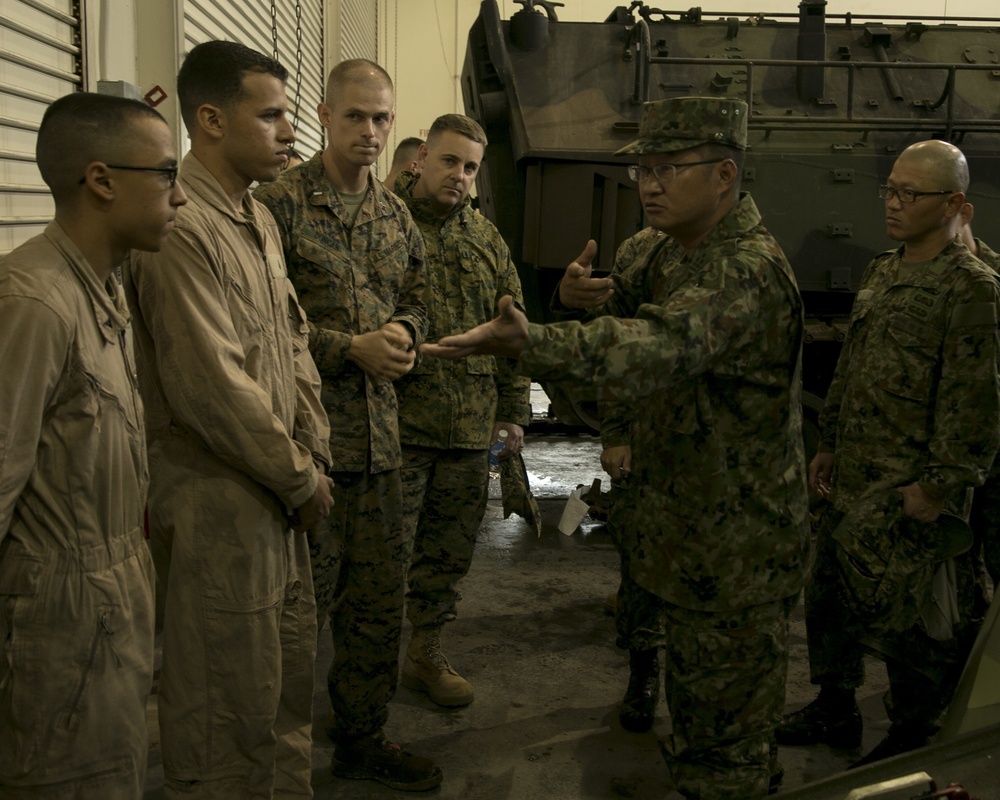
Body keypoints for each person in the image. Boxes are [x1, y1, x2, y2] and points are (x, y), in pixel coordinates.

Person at [424, 96, 811, 800]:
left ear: (724, 175)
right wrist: (582, 295)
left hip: (736, 556)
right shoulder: (678, 253)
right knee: (697, 734)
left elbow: (657, 343)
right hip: (690, 537)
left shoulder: (744, 270)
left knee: (728, 756)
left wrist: (534, 339)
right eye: (644, 170)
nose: (650, 184)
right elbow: (626, 307)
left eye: (669, 168)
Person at [123, 41, 334, 798]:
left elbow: (294, 342)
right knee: (222, 713)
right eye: (271, 114)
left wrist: (312, 451)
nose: (290, 134)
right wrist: (298, 474)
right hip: (220, 502)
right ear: (209, 120)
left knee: (281, 695)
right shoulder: (182, 228)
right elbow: (210, 386)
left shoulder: (258, 221)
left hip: (278, 498)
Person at [775, 140, 1000, 767]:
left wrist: (938, 488)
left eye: (910, 194)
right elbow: (851, 366)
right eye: (890, 191)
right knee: (832, 596)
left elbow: (975, 402)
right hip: (854, 475)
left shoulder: (973, 288)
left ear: (954, 203)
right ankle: (835, 705)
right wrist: (830, 445)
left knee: (915, 621)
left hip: (911, 487)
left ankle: (912, 730)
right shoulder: (883, 268)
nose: (893, 204)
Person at [253, 60, 440, 792]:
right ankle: (276, 758)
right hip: (306, 448)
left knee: (375, 609)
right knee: (296, 619)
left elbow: (419, 298)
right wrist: (346, 348)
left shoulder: (398, 217)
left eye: (383, 119)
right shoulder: (280, 205)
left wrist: (403, 331)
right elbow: (262, 326)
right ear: (326, 115)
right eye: (357, 116)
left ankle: (362, 736)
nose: (370, 131)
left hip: (383, 448)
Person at [0, 92, 186, 797]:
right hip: (58, 623)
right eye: (167, 175)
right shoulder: (34, 303)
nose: (180, 198)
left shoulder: (104, 291)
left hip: (110, 602)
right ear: (103, 180)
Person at [392, 114, 531, 708]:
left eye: (471, 167)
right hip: (395, 426)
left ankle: (425, 650)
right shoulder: (383, 223)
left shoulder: (487, 240)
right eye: (450, 161)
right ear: (422, 156)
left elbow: (512, 332)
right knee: (379, 556)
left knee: (446, 553)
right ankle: (365, 666)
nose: (460, 176)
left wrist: (513, 412)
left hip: (469, 431)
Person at [556, 226, 671, 733]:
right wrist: (617, 433)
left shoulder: (743, 252)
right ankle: (642, 676)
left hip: (712, 450)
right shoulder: (638, 249)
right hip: (646, 436)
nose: (654, 184)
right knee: (640, 561)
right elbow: (616, 349)